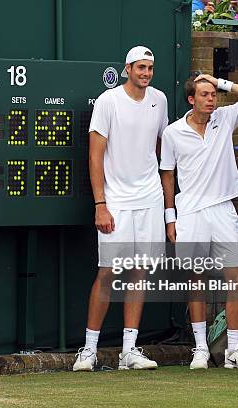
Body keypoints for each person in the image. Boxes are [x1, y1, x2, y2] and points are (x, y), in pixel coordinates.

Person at [73, 46, 169, 371]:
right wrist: (101, 204)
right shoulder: (108, 101)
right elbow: (95, 155)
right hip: (115, 200)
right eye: (141, 67)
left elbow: (160, 147)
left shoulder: (160, 100)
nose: (146, 73)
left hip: (150, 198)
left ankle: (129, 351)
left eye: (150, 68)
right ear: (128, 68)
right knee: (108, 273)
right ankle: (88, 350)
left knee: (139, 274)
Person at [160, 73, 238, 370]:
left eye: (213, 94)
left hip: (223, 211)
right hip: (190, 212)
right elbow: (168, 175)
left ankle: (233, 349)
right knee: (197, 281)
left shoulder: (225, 118)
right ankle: (201, 348)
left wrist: (220, 82)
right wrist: (170, 217)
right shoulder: (173, 133)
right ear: (191, 100)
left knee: (236, 279)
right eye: (205, 94)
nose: (212, 98)